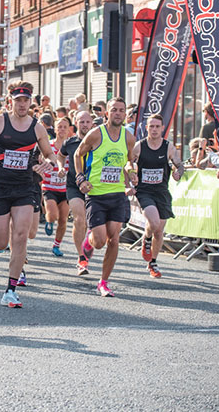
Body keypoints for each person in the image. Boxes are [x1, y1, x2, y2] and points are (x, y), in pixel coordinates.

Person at [0, 82, 57, 308]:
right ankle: (11, 252)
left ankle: (11, 289)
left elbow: (49, 154)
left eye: (25, 101)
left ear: (30, 103)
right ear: (11, 102)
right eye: (18, 100)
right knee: (0, 243)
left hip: (24, 186)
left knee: (21, 234)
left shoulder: (37, 127)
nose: (21, 104)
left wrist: (49, 163)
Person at [73, 97, 137, 297]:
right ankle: (87, 243)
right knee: (99, 241)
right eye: (114, 110)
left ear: (125, 114)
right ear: (107, 113)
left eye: (121, 110)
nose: (118, 113)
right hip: (96, 194)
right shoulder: (95, 134)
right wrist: (81, 179)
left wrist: (131, 172)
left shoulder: (128, 137)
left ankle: (103, 282)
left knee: (114, 239)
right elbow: (77, 154)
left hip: (117, 194)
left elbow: (129, 161)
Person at [129, 114, 184, 278]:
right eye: (151, 126)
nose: (154, 129)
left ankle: (152, 262)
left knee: (159, 230)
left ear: (162, 128)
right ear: (147, 128)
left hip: (162, 192)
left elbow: (179, 165)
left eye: (157, 127)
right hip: (145, 191)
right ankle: (146, 238)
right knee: (153, 222)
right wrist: (131, 174)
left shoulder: (168, 147)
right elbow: (128, 163)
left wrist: (178, 173)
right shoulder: (139, 146)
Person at [57, 111, 94, 274]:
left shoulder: (98, 141)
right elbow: (60, 156)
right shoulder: (70, 143)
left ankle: (88, 243)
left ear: (92, 123)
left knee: (90, 223)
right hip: (73, 185)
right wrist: (60, 167)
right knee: (79, 219)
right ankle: (81, 258)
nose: (85, 124)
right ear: (76, 123)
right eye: (81, 122)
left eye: (88, 121)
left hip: (95, 186)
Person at [42, 116, 71, 256]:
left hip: (65, 189)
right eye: (60, 126)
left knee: (63, 219)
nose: (62, 129)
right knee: (53, 214)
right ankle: (49, 221)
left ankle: (56, 245)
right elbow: (41, 159)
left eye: (65, 127)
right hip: (49, 186)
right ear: (55, 128)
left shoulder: (71, 147)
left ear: (69, 130)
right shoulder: (49, 145)